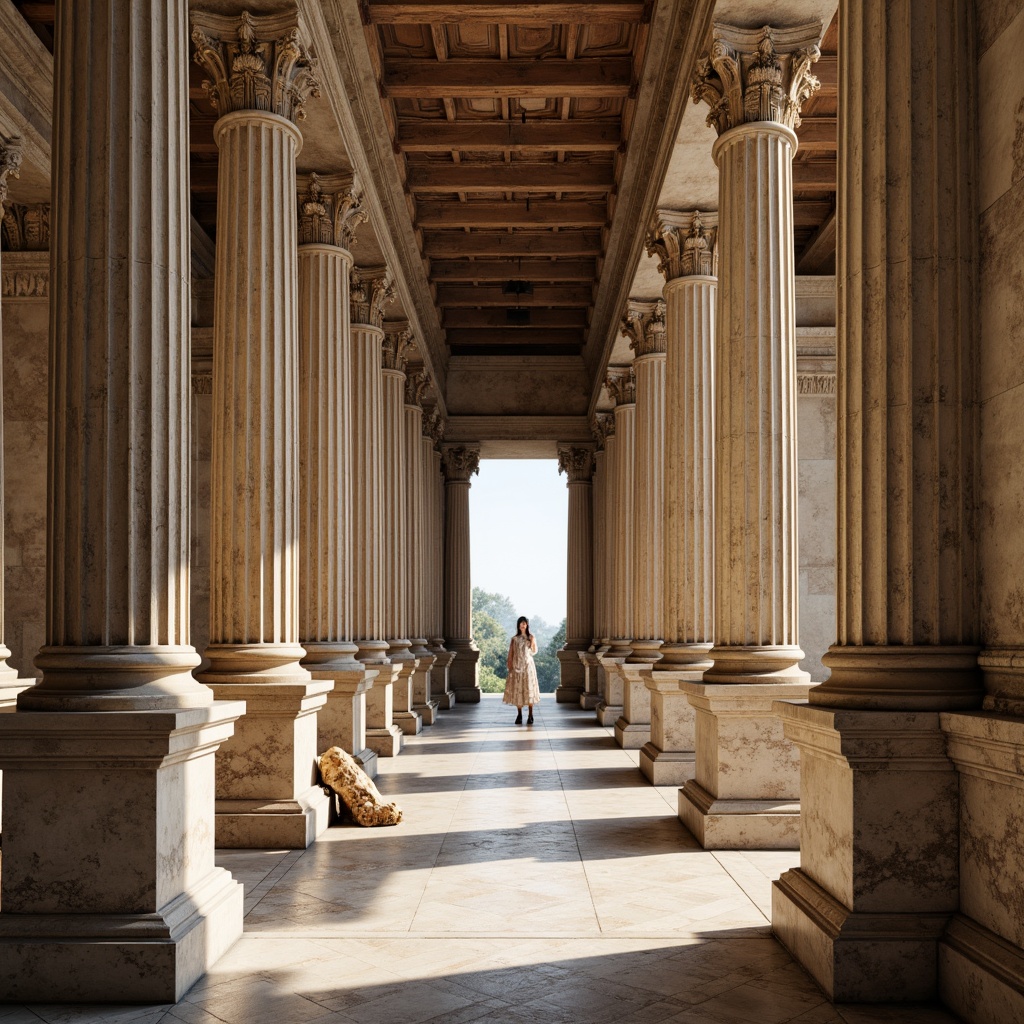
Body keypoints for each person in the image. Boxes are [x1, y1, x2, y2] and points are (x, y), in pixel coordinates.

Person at [503, 616, 541, 725]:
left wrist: (531, 646)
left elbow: (534, 651)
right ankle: (519, 714)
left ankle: (530, 714)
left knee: (529, 688)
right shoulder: (514, 639)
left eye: (524, 623)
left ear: (527, 625)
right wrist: (510, 665)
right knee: (518, 688)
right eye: (521, 623)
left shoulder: (531, 637)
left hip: (528, 666)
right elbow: (511, 653)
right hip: (516, 666)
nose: (523, 625)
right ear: (518, 625)